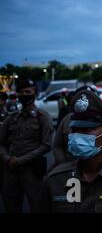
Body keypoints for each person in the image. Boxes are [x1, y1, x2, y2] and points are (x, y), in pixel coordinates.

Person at [0, 78, 53, 212]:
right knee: (11, 205)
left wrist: (20, 160)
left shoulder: (43, 117)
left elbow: (46, 145)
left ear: (35, 94)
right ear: (17, 95)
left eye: (28, 91)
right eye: (21, 92)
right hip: (10, 170)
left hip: (32, 171)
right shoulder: (11, 118)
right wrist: (8, 159)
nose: (24, 94)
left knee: (37, 205)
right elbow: (1, 143)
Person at [53, 85, 102, 166]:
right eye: (74, 129)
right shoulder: (67, 119)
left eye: (89, 129)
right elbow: (57, 146)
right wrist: (63, 165)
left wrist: (98, 165)